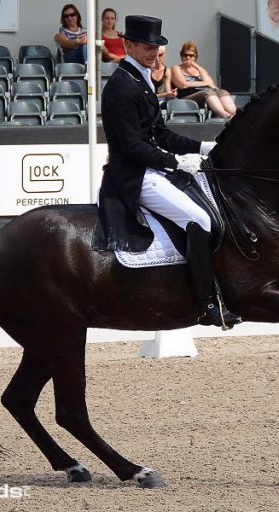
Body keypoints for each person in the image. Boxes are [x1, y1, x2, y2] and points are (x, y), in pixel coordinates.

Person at [92, 15, 241, 329]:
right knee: (199, 219)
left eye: (157, 47)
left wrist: (202, 148)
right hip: (133, 177)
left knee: (210, 207)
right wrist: (174, 162)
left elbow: (160, 133)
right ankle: (205, 305)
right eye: (147, 46)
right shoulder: (121, 86)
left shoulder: (142, 79)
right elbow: (132, 147)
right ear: (128, 45)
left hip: (151, 169)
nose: (154, 52)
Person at [171, 41, 236, 118]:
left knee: (222, 92)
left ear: (195, 57)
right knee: (208, 93)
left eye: (191, 55)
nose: (188, 58)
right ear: (181, 56)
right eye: (185, 55)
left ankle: (235, 114)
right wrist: (205, 83)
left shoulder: (200, 69)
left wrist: (197, 67)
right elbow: (183, 85)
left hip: (205, 92)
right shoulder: (177, 68)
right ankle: (224, 114)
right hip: (188, 95)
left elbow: (211, 84)